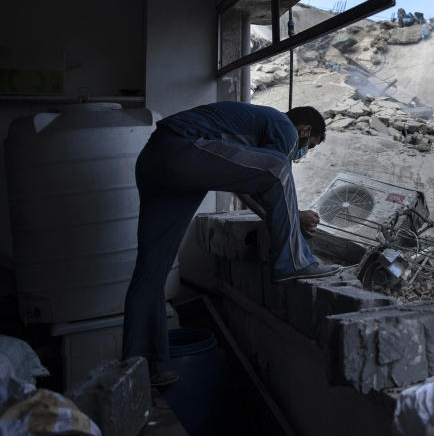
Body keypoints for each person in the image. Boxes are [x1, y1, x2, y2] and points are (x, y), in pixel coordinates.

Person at [121, 101, 338, 384]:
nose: (301, 152)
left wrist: (289, 217)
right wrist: (295, 218)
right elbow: (275, 175)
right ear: (305, 130)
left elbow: (250, 186)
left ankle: (142, 366)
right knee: (279, 166)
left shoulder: (249, 127)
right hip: (183, 148)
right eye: (308, 146)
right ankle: (294, 262)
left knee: (151, 270)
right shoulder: (283, 126)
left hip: (155, 158)